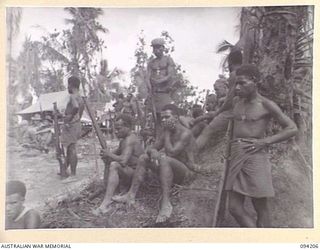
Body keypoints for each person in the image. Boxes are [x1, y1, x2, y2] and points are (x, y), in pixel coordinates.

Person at [225, 64, 297, 227]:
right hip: (236, 155)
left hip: (255, 157)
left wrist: (265, 141)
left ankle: (263, 240)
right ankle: (256, 238)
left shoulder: (266, 104)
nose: (237, 87)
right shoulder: (236, 102)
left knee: (260, 207)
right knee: (234, 208)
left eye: (242, 83)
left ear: (254, 81)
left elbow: (292, 128)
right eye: (236, 83)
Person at [113, 104, 198, 223]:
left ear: (176, 117)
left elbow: (172, 152)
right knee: (143, 157)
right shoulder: (166, 131)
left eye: (167, 117)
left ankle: (166, 203)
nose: (163, 120)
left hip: (186, 173)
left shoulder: (185, 133)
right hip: (170, 168)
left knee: (163, 159)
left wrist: (167, 134)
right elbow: (152, 148)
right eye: (162, 118)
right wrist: (153, 151)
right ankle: (131, 195)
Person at [92, 114, 144, 215]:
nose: (116, 131)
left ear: (127, 127)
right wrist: (107, 155)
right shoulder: (124, 140)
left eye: (119, 128)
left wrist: (109, 154)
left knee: (114, 165)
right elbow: (114, 155)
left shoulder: (130, 139)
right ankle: (110, 192)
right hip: (129, 172)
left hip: (137, 175)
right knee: (110, 161)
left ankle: (106, 202)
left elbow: (123, 160)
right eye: (115, 128)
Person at [146, 38, 175, 132]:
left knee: (167, 115)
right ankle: (157, 137)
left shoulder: (168, 60)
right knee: (156, 118)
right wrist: (149, 85)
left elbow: (170, 75)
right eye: (154, 48)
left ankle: (167, 136)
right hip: (155, 94)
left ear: (163, 48)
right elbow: (147, 76)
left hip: (165, 93)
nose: (156, 50)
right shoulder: (151, 63)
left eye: (158, 47)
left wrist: (160, 81)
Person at [60, 76, 84, 180]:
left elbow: (76, 107)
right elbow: (80, 112)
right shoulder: (80, 97)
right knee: (70, 148)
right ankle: (64, 169)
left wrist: (69, 118)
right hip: (76, 124)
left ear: (70, 85)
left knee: (71, 148)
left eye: (68, 85)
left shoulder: (72, 96)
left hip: (71, 125)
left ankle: (73, 174)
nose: (67, 87)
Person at [195, 78, 231, 150]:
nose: (216, 92)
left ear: (225, 87)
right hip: (219, 119)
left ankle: (192, 151)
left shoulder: (229, 97)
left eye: (217, 89)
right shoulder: (219, 99)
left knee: (207, 130)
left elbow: (215, 113)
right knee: (199, 125)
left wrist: (199, 118)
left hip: (227, 117)